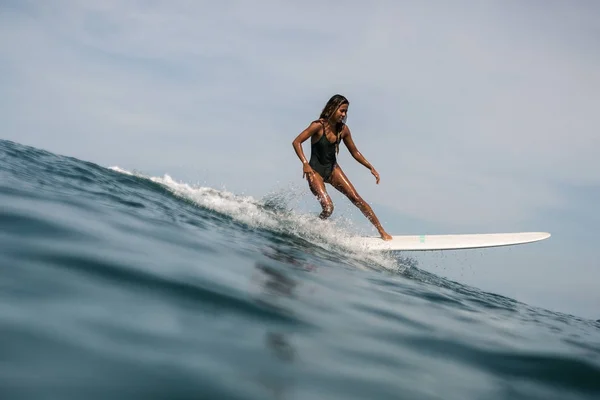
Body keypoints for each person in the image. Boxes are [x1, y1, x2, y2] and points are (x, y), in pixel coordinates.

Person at [292, 94, 392, 241]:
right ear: (332, 108)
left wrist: (370, 167)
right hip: (315, 171)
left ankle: (382, 232)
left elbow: (355, 152)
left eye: (346, 112)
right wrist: (305, 163)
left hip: (333, 169)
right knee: (328, 207)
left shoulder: (343, 130)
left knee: (357, 199)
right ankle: (313, 228)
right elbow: (296, 142)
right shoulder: (318, 126)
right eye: (342, 110)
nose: (344, 114)